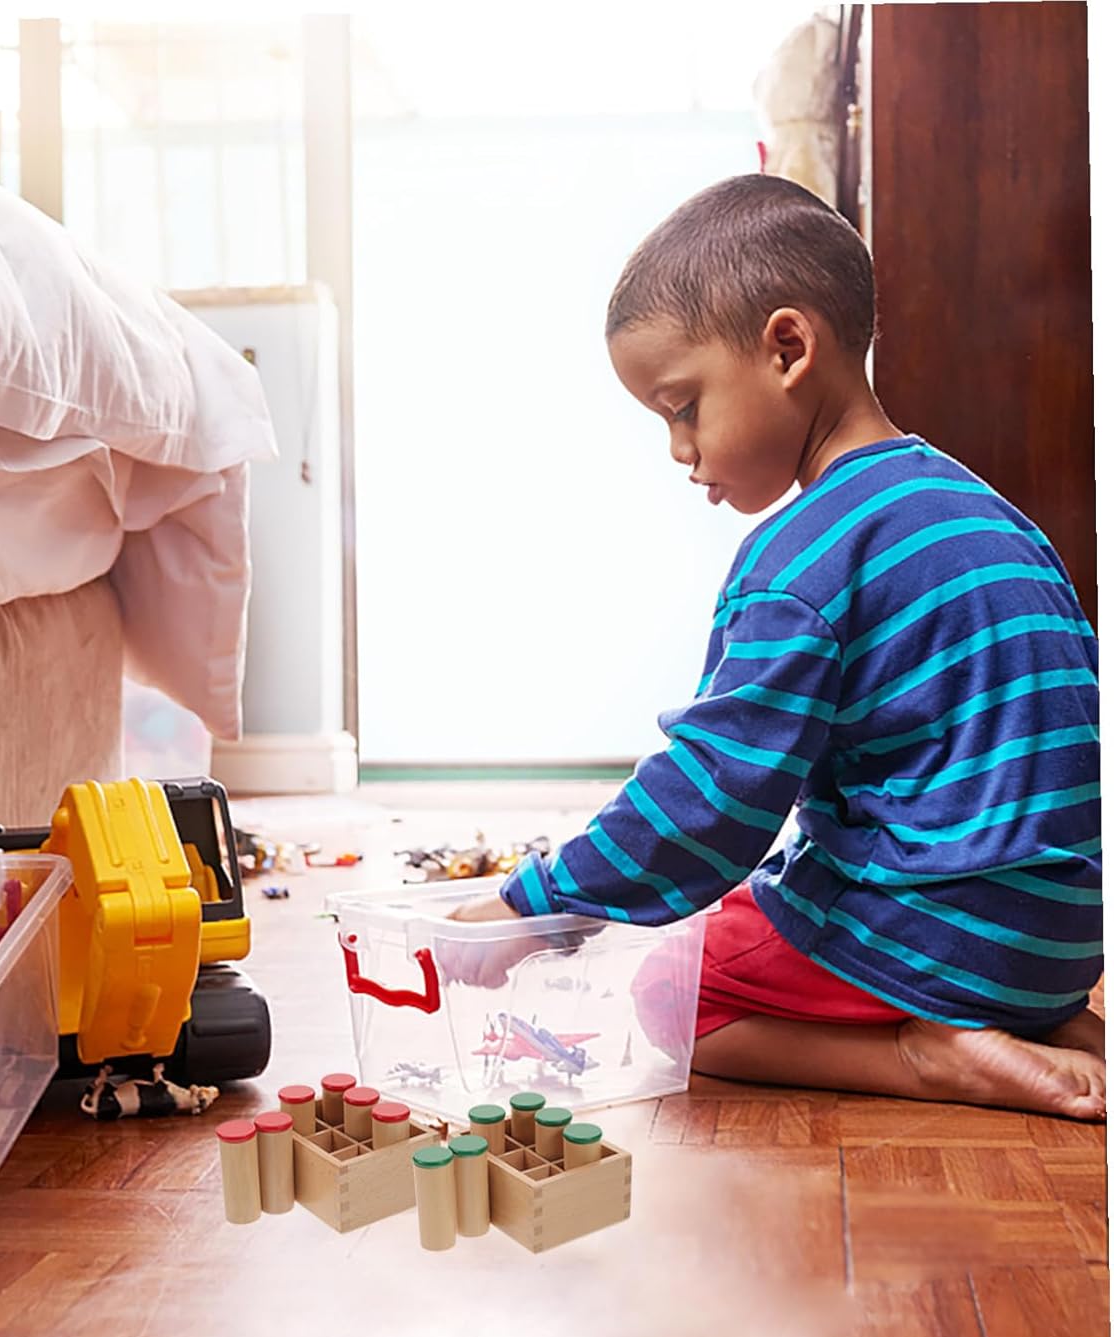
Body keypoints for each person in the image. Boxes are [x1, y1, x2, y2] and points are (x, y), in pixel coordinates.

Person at [449, 174, 1104, 1122]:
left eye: (683, 407)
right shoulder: (987, 511)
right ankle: (1028, 1018)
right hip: (1062, 941)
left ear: (788, 349)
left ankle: (929, 1056)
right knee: (772, 899)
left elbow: (715, 796)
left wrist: (535, 906)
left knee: (675, 991)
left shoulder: (800, 560)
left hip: (933, 937)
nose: (679, 450)